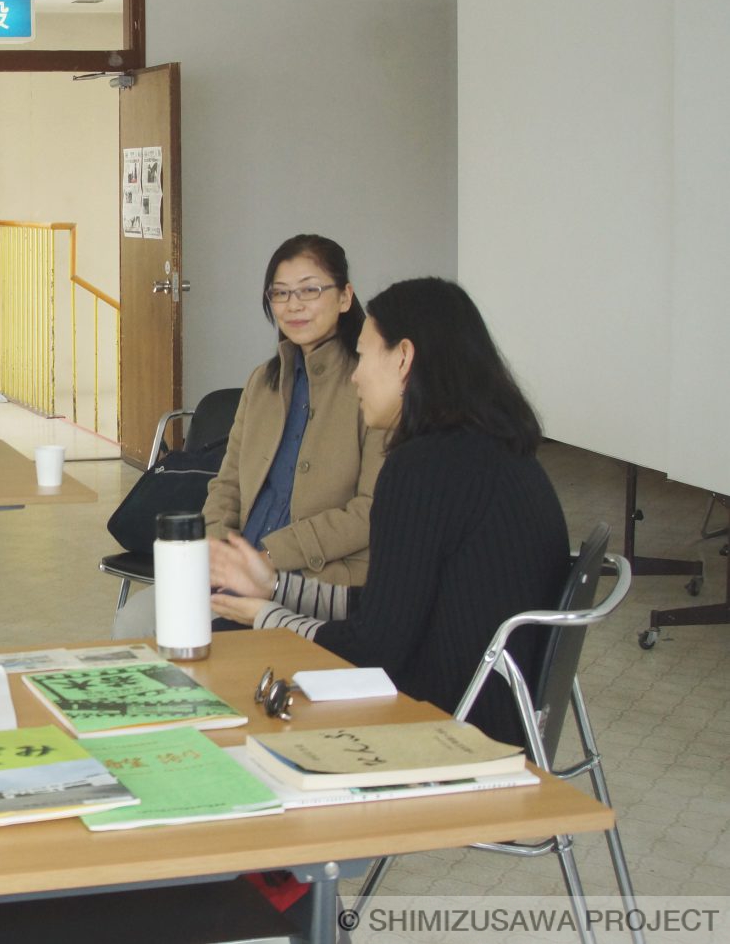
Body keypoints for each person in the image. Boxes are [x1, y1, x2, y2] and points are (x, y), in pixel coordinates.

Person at [210, 277, 569, 744]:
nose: (355, 376)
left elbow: (372, 650)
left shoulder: (421, 470)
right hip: (499, 713)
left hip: (441, 726)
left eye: (363, 356)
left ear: (403, 357)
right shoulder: (499, 452)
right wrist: (276, 587)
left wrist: (266, 616)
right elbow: (393, 604)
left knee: (232, 694)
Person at [203, 234, 387, 590]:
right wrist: (219, 549)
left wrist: (268, 558)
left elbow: (371, 509)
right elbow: (227, 484)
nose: (293, 305)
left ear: (345, 297)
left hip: (319, 580)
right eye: (280, 293)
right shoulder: (262, 382)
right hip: (237, 568)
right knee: (141, 615)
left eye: (309, 290)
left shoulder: (371, 387)